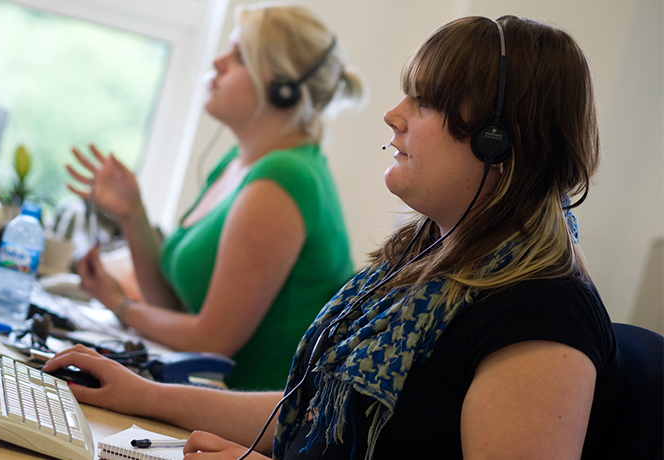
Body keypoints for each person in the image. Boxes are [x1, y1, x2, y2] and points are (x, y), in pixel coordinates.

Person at [46, 15, 622, 459]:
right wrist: (141, 394)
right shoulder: (418, 266)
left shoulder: (542, 312)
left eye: (424, 101)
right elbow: (310, 417)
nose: (394, 115)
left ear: (497, 141)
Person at [65, 3, 364, 390]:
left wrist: (119, 304)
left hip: (242, 428)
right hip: (204, 396)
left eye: (239, 56)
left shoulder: (283, 181)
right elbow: (173, 310)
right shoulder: (240, 163)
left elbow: (211, 341)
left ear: (283, 89)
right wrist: (132, 215)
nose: (218, 62)